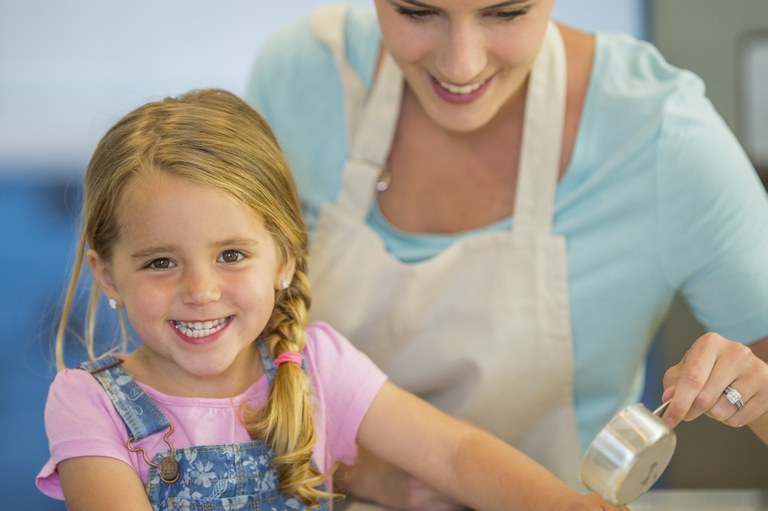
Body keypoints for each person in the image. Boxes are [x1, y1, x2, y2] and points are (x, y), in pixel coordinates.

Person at [245, 0, 768, 506]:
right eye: (417, 11)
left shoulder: (662, 136)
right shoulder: (300, 75)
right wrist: (372, 476)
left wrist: (752, 389)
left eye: (507, 12)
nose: (461, 65)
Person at [35, 88, 629, 510]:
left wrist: (563, 505)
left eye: (232, 255)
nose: (200, 291)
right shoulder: (87, 404)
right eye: (161, 262)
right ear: (107, 275)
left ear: (285, 260)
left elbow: (454, 454)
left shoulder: (320, 366)